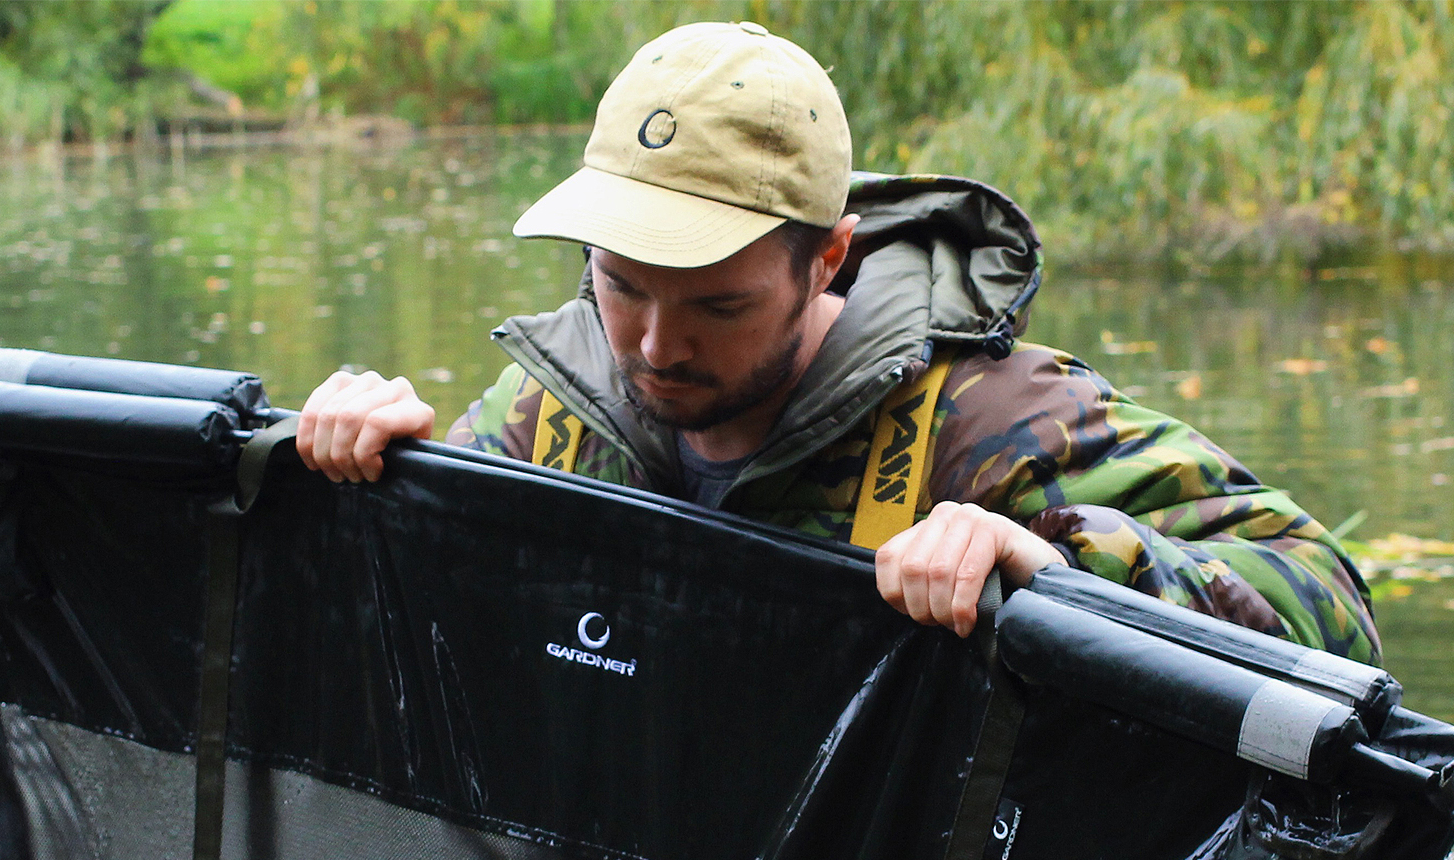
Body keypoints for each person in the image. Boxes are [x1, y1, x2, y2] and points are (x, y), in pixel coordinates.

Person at [295, 20, 1378, 660]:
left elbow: (1329, 602)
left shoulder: (994, 421)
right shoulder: (554, 408)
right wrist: (373, 474)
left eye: (718, 306)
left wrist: (1056, 562)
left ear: (829, 261)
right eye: (620, 286)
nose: (655, 345)